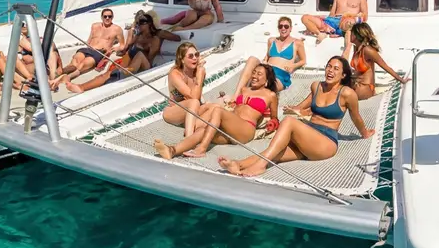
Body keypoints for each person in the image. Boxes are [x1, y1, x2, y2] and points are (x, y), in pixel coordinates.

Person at [218, 56, 373, 177]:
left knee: (289, 122)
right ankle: (238, 164)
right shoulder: (317, 86)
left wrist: (365, 133)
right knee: (274, 151)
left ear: (343, 74)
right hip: (308, 138)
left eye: (336, 69)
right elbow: (305, 104)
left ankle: (260, 166)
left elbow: (356, 117)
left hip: (325, 143)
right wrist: (295, 108)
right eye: (329, 66)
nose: (330, 71)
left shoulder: (347, 93)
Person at [153, 60, 280, 160]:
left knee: (218, 111)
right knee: (204, 130)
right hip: (230, 128)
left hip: (245, 130)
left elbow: (275, 118)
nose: (254, 76)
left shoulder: (270, 95)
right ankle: (172, 150)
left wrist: (272, 123)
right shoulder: (244, 90)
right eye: (254, 72)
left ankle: (202, 149)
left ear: (267, 80)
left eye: (259, 74)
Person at [50, 8, 125, 88]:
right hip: (87, 49)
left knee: (83, 64)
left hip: (99, 52)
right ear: (101, 17)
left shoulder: (117, 29)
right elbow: (89, 39)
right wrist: (87, 45)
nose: (107, 18)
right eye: (105, 16)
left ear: (112, 17)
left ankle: (68, 77)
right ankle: (62, 71)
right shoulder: (95, 26)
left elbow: (122, 45)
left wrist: (115, 49)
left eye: (109, 16)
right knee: (75, 62)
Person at [344, 22, 409, 99]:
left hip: (365, 87)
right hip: (356, 85)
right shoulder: (356, 48)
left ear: (356, 35)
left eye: (351, 33)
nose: (350, 34)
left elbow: (385, 66)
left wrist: (401, 80)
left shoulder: (368, 50)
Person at [162, 42, 205, 136]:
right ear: (182, 60)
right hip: (173, 111)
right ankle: (189, 138)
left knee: (214, 107)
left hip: (192, 111)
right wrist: (200, 74)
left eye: (196, 55)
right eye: (190, 56)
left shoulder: (196, 72)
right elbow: (194, 98)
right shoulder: (175, 74)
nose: (195, 58)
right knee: (194, 102)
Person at [261, 16, 305, 90]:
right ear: (278, 28)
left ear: (291, 28)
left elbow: (303, 60)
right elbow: (267, 56)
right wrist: (264, 62)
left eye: (286, 26)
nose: (283, 28)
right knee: (251, 59)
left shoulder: (297, 43)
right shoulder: (271, 41)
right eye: (280, 26)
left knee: (267, 87)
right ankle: (237, 95)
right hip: (267, 70)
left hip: (280, 74)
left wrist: (293, 66)